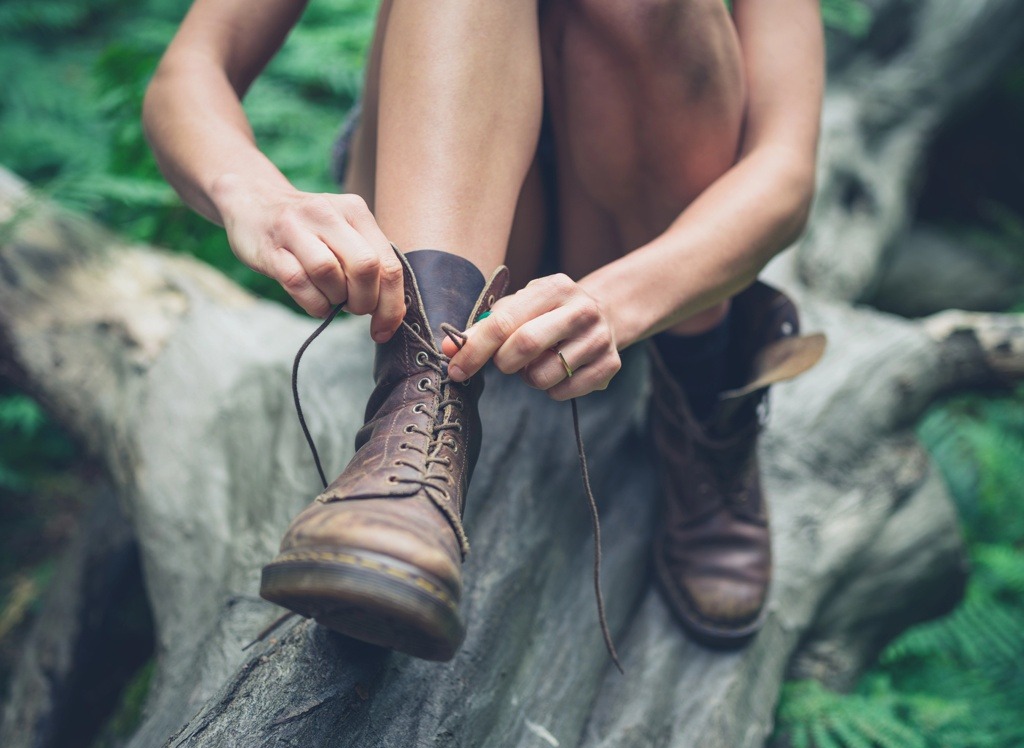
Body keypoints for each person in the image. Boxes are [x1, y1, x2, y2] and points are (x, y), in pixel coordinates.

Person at [143, 0, 826, 660]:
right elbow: (192, 70)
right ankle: (420, 419)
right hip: (445, 192)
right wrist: (256, 197)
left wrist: (619, 302)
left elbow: (786, 166)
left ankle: (701, 386)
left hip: (639, 227)